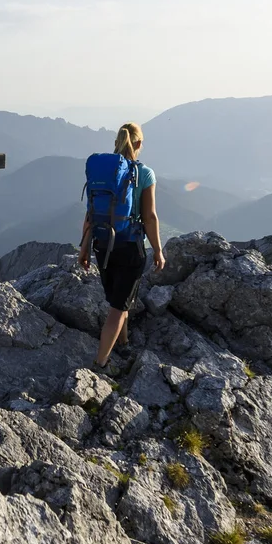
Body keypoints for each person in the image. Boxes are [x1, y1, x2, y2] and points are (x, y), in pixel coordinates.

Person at [77, 121, 165, 369]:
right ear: (139, 143)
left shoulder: (102, 173)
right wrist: (158, 250)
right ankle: (101, 363)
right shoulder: (144, 173)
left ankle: (123, 343)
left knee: (119, 299)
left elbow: (90, 213)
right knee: (118, 308)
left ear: (116, 142)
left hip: (102, 244)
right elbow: (150, 216)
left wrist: (84, 248)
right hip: (129, 246)